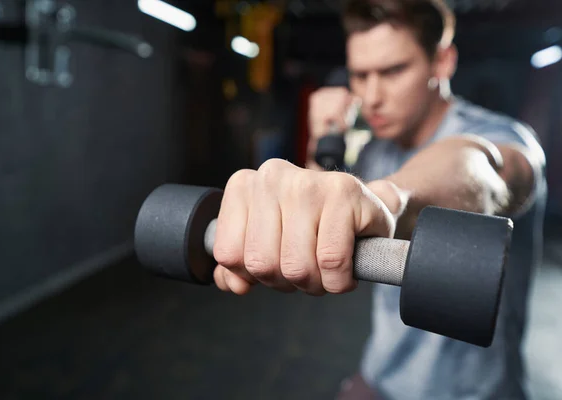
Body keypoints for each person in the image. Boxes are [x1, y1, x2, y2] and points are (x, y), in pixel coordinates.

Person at [212, 0, 547, 399]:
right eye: (360, 75)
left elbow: (486, 169)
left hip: (471, 391)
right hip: (380, 375)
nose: (371, 97)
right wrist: (322, 145)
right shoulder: (374, 152)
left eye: (392, 71)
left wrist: (389, 197)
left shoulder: (504, 136)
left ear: (442, 62)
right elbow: (316, 227)